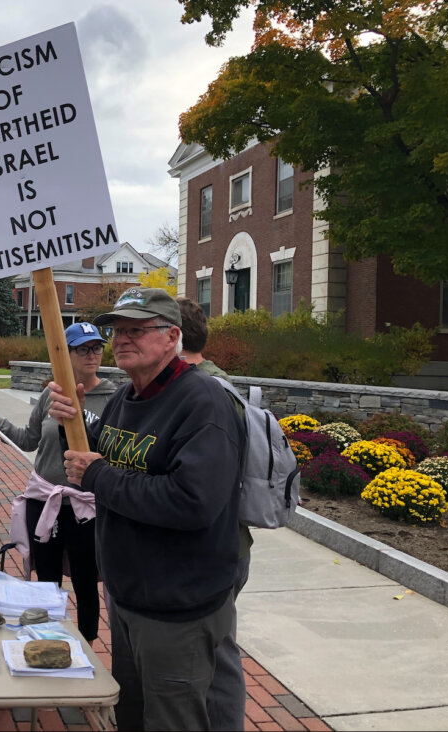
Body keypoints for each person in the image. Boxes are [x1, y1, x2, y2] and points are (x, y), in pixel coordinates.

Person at [49, 287, 244, 731]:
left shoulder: (203, 404)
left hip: (178, 605)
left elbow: (191, 502)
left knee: (173, 719)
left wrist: (96, 475)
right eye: (116, 330)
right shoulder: (125, 399)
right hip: (128, 596)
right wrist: (71, 424)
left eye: (136, 330)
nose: (120, 339)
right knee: (131, 714)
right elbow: (97, 456)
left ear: (172, 336)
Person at [0, 322, 115, 642]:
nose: (92, 355)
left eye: (97, 347)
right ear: (65, 354)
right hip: (43, 500)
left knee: (87, 583)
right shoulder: (51, 393)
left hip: (84, 508)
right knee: (46, 583)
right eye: (83, 349)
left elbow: (113, 454)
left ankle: (86, 646)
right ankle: (48, 642)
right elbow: (28, 439)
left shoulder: (112, 398)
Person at [177, 296, 246, 731]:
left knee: (216, 652)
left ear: (171, 336)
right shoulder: (216, 382)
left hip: (217, 547)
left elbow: (199, 491)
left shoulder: (207, 393)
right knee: (215, 647)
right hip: (224, 543)